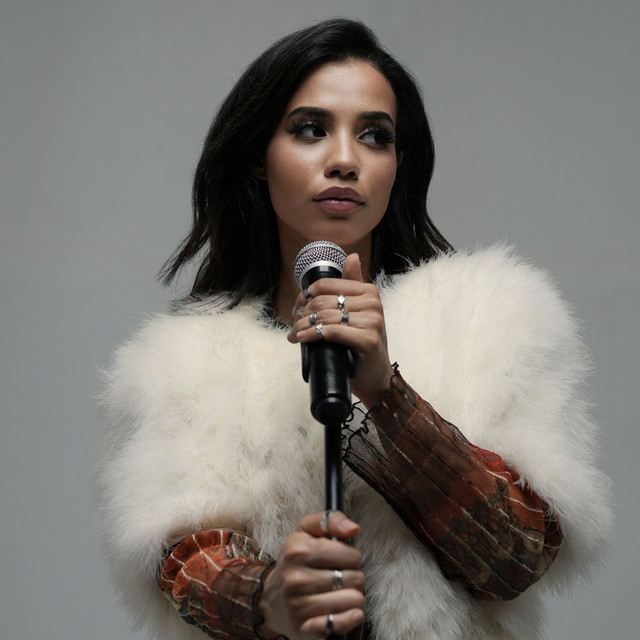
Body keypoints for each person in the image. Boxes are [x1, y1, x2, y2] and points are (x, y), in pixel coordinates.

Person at [96, 18, 612, 640]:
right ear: (258, 156)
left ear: (398, 164)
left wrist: (384, 395)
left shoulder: (490, 318)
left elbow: (516, 560)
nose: (344, 160)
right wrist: (266, 598)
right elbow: (186, 564)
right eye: (310, 130)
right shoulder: (180, 363)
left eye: (374, 136)